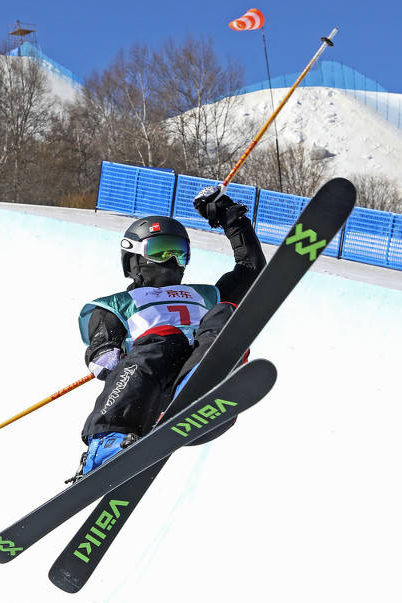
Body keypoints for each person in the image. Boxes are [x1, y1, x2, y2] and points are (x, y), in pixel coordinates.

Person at [69, 189, 266, 481]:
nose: (172, 260)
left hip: (200, 388)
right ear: (133, 258)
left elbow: (251, 269)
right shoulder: (114, 306)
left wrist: (229, 216)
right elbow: (103, 358)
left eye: (180, 252)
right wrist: (112, 354)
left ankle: (203, 382)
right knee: (164, 338)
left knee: (225, 312)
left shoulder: (207, 295)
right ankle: (107, 441)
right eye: (161, 251)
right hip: (148, 397)